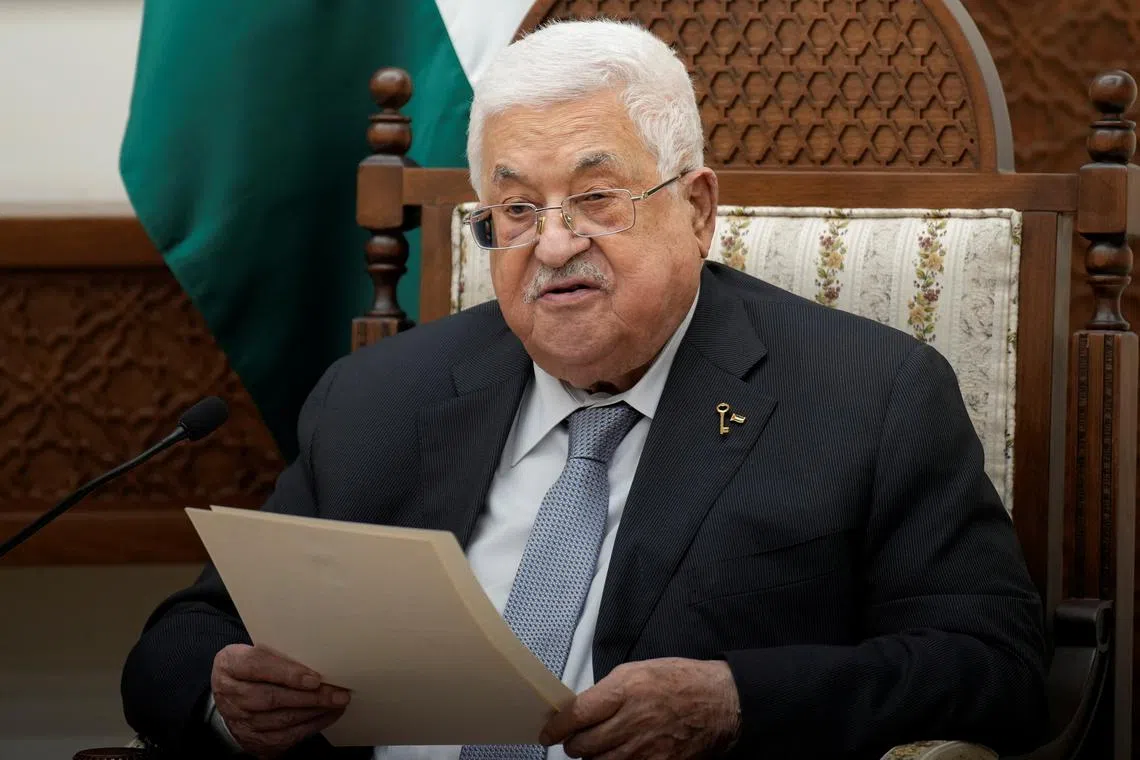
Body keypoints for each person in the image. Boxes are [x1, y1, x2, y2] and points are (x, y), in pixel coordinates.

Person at [120, 18, 1047, 760]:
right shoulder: (377, 397)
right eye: (516, 210)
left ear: (697, 209)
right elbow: (186, 636)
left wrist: (737, 704)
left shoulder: (869, 397)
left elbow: (995, 666)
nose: (553, 244)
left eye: (597, 198)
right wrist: (228, 696)